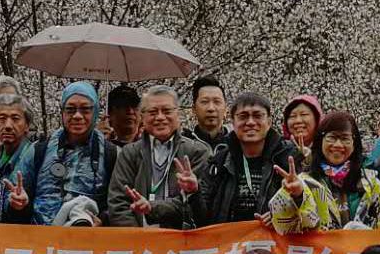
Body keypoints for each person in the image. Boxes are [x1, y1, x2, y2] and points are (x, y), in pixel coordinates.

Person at [269, 110, 380, 231]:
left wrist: (368, 235)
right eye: (332, 138)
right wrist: (298, 197)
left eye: (345, 138)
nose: (338, 145)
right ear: (320, 141)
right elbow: (283, 226)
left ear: (354, 144)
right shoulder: (304, 182)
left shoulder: (371, 183)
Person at [10, 82, 117, 226]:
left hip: (90, 241)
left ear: (96, 112)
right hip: (42, 241)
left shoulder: (111, 154)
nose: (77, 116)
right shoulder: (39, 151)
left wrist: (104, 220)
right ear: (62, 112)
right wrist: (18, 203)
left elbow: (120, 203)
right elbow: (13, 192)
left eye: (85, 109)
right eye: (70, 109)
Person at [104, 85, 212, 227]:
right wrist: (137, 239)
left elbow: (198, 205)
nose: (160, 117)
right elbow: (118, 203)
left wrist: (152, 207)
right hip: (140, 242)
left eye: (167, 111)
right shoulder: (130, 153)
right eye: (153, 112)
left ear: (177, 114)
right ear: (142, 116)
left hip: (184, 241)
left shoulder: (197, 152)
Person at [193, 91, 299, 228]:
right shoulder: (219, 162)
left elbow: (309, 211)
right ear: (233, 122)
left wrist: (284, 215)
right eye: (243, 116)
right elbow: (203, 218)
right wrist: (193, 192)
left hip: (274, 245)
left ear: (269, 122)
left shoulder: (287, 159)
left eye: (257, 116)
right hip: (230, 245)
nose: (250, 122)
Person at [0, 91, 34, 188]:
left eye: (15, 119)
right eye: (2, 118)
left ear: (27, 125)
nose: (8, 126)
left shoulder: (36, 158)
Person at [189, 74, 228, 146]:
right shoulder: (183, 146)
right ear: (194, 109)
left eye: (217, 102)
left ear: (226, 109)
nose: (211, 108)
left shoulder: (238, 144)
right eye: (204, 102)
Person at [105, 84, 142, 148]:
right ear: (110, 114)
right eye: (123, 106)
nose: (130, 111)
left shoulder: (151, 145)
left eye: (134, 105)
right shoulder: (99, 146)